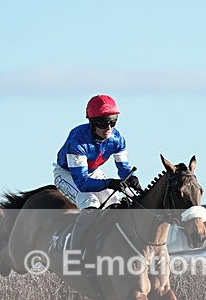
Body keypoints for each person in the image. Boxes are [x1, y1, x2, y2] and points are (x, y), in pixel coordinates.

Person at [53, 95, 143, 250]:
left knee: (114, 201)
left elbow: (123, 168)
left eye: (113, 121)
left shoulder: (117, 139)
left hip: (93, 172)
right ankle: (76, 250)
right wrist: (109, 182)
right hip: (68, 174)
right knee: (89, 202)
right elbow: (82, 183)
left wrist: (131, 178)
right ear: (92, 123)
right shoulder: (78, 141)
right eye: (102, 123)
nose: (108, 128)